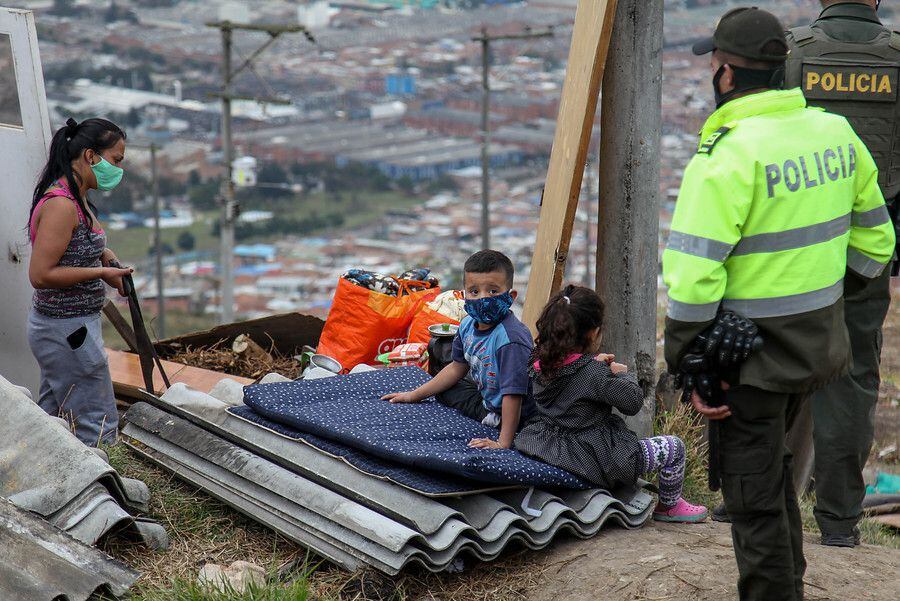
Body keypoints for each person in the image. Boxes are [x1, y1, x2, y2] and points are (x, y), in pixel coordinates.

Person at [664, 7, 894, 601]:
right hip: (822, 343)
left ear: (725, 75)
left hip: (748, 360)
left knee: (755, 501)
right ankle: (815, 552)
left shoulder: (725, 156)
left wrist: (691, 365)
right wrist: (825, 296)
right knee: (783, 487)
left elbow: (690, 284)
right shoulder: (833, 133)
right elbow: (878, 240)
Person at [778, 0, 900, 548]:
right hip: (867, 244)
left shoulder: (789, 54)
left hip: (785, 246)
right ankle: (839, 523)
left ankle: (756, 505)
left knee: (772, 367)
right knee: (850, 382)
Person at [515, 285, 709, 522]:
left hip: (548, 444)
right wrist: (621, 374)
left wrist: (591, 363)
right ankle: (669, 506)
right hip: (595, 455)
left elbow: (573, 373)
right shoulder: (595, 374)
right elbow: (632, 402)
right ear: (593, 334)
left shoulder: (539, 363)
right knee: (674, 448)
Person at [27, 117, 132, 447]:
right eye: (116, 159)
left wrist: (106, 258)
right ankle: (102, 491)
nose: (118, 169)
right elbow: (41, 274)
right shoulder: (61, 205)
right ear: (90, 156)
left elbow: (84, 243)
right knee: (96, 424)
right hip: (67, 331)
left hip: (71, 329)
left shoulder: (78, 197)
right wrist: (101, 274)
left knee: (52, 416)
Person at [382, 249, 533, 449]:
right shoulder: (468, 325)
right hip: (488, 396)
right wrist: (413, 395)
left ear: (510, 296)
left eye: (493, 291)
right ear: (463, 295)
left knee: (506, 408)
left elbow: (513, 395)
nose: (482, 298)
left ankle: (499, 424)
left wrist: (502, 444)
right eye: (474, 291)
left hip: (514, 410)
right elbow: (456, 367)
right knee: (445, 389)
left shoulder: (511, 340)